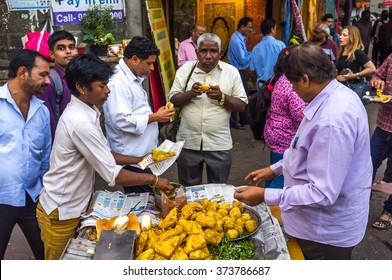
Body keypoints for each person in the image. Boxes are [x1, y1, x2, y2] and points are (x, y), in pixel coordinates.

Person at [234, 42, 372, 260]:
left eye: (293, 84)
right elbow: (307, 150)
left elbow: (322, 193)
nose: (294, 91)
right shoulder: (334, 95)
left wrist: (265, 195)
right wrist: (275, 169)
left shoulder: (332, 120)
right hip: (318, 225)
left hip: (325, 233)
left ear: (305, 79)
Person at [37, 54, 173, 260]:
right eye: (102, 86)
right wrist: (154, 180)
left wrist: (139, 158)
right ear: (82, 87)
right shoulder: (80, 122)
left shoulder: (89, 110)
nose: (108, 90)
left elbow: (104, 155)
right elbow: (113, 174)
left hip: (75, 205)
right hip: (61, 210)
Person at [168, 33, 248, 186]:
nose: (208, 56)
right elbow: (173, 99)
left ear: (221, 52)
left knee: (218, 191)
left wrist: (222, 97)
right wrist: (191, 94)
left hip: (219, 144)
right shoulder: (185, 70)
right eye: (204, 51)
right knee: (188, 190)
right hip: (188, 143)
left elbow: (241, 105)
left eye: (213, 51)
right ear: (197, 52)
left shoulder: (231, 72)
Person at [103, 36, 175, 194]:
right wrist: (156, 117)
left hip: (142, 156)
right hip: (132, 159)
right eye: (149, 63)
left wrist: (157, 116)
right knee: (142, 201)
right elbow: (121, 120)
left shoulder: (132, 78)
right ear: (134, 60)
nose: (152, 69)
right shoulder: (118, 83)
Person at [0, 49, 52, 260]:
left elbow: (45, 155)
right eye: (43, 74)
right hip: (2, 199)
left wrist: (41, 188)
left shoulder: (42, 111)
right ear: (22, 72)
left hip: (32, 198)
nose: (48, 81)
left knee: (47, 255)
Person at [263, 46, 307, 189]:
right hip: (285, 137)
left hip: (274, 132)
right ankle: (267, 202)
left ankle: (265, 201)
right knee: (283, 177)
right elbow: (300, 116)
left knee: (272, 172)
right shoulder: (290, 83)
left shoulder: (281, 78)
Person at [36, 30, 78, 140]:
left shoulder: (79, 78)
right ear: (52, 54)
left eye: (72, 47)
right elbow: (48, 121)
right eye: (61, 48)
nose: (68, 51)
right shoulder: (49, 82)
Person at [369, 53, 392, 230]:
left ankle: (388, 212)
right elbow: (377, 74)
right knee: (367, 165)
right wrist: (377, 81)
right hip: (383, 125)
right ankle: (360, 204)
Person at [335, 26, 376, 103]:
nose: (340, 37)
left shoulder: (357, 53)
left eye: (344, 35)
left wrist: (355, 75)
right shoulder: (341, 51)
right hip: (339, 88)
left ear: (352, 38)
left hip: (350, 89)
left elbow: (372, 68)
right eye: (341, 34)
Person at [228, 16, 253, 129]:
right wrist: (253, 54)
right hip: (237, 70)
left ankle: (243, 120)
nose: (250, 30)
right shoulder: (236, 40)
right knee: (237, 95)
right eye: (249, 27)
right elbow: (242, 60)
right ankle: (234, 121)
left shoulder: (240, 38)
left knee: (241, 95)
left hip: (240, 70)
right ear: (242, 26)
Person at [250, 18, 286, 84]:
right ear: (272, 30)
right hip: (277, 84)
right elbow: (285, 65)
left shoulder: (255, 49)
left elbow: (253, 69)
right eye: (275, 28)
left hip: (262, 85)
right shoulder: (281, 45)